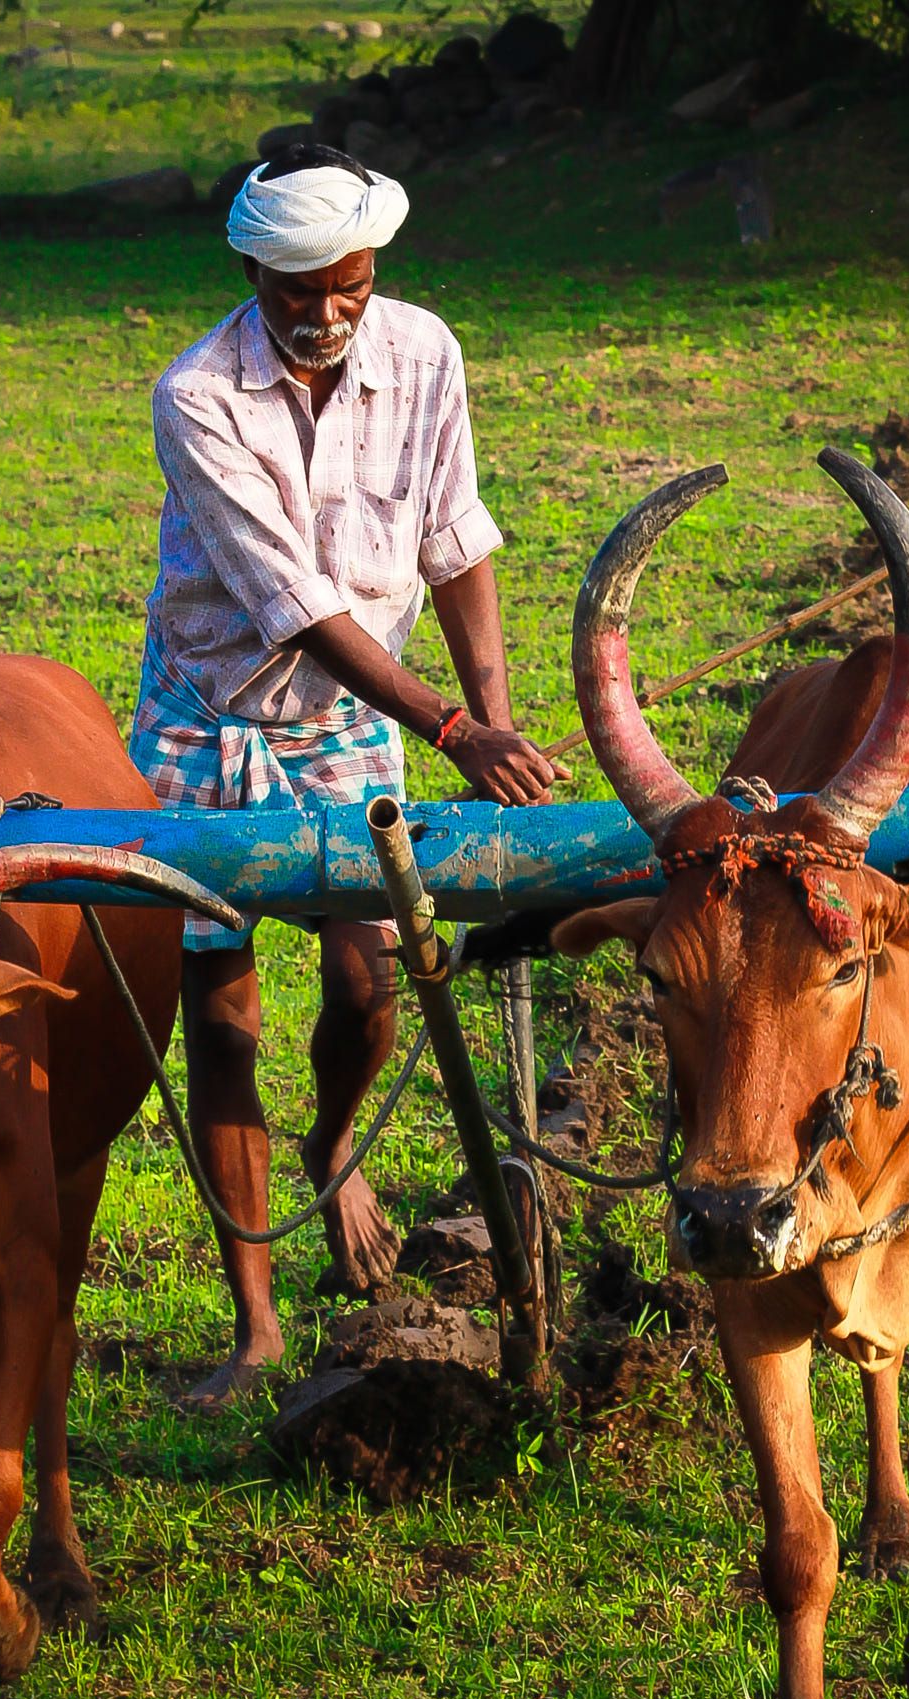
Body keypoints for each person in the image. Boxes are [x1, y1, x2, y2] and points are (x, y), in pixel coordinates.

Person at [129, 142, 562, 1406]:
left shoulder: (425, 351)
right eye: (295, 289)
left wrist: (494, 717)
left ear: (377, 267)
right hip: (209, 715)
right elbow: (295, 605)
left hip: (358, 726)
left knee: (371, 981)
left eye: (350, 284)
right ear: (249, 270)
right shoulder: (197, 393)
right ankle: (256, 1320)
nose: (325, 313)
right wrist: (449, 731)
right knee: (221, 1016)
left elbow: (456, 539)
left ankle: (331, 1141)